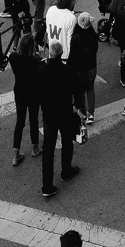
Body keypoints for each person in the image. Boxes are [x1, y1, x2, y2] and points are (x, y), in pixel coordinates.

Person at [38, 41, 81, 196]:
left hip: (49, 114)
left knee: (48, 149)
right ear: (62, 54)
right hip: (65, 113)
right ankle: (66, 170)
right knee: (67, 141)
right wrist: (77, 105)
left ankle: (47, 185)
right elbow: (77, 89)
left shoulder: (42, 70)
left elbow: (35, 92)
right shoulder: (67, 70)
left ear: (50, 53)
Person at [9, 32, 42, 166]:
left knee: (20, 123)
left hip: (19, 93)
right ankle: (35, 147)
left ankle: (16, 155)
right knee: (33, 121)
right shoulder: (34, 61)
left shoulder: (13, 57)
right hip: (33, 95)